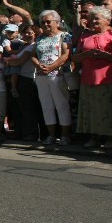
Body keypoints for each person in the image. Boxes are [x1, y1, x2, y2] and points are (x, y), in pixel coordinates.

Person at [72, 7, 112, 149]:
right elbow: (74, 58)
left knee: (108, 110)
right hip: (88, 79)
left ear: (107, 21)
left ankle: (110, 139)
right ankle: (93, 138)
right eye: (92, 18)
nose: (93, 21)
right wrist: (86, 55)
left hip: (108, 78)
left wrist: (104, 55)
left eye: (97, 18)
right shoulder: (84, 36)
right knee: (90, 109)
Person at [33, 10, 73, 146]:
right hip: (41, 76)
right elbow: (33, 54)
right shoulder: (39, 38)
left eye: (48, 22)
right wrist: (38, 64)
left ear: (57, 22)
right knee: (46, 106)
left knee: (61, 105)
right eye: (42, 22)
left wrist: (52, 67)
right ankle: (51, 135)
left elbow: (66, 54)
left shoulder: (65, 36)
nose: (45, 24)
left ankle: (65, 135)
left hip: (58, 75)